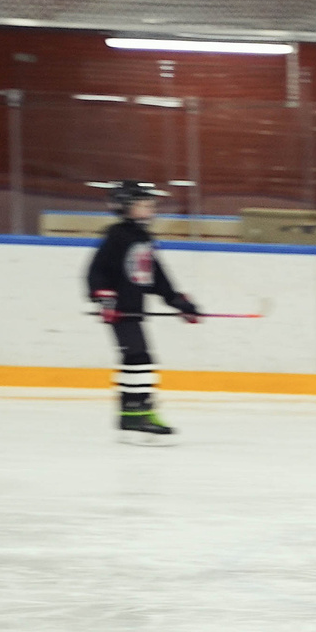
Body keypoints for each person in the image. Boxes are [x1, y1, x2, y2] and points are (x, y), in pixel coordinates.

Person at [85, 180, 198, 443]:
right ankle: (140, 412)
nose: (149, 209)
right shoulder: (117, 236)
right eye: (143, 204)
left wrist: (179, 302)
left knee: (136, 359)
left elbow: (155, 276)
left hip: (133, 310)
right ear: (125, 207)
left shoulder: (143, 238)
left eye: (150, 204)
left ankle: (129, 413)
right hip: (120, 311)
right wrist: (103, 299)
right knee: (140, 359)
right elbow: (96, 271)